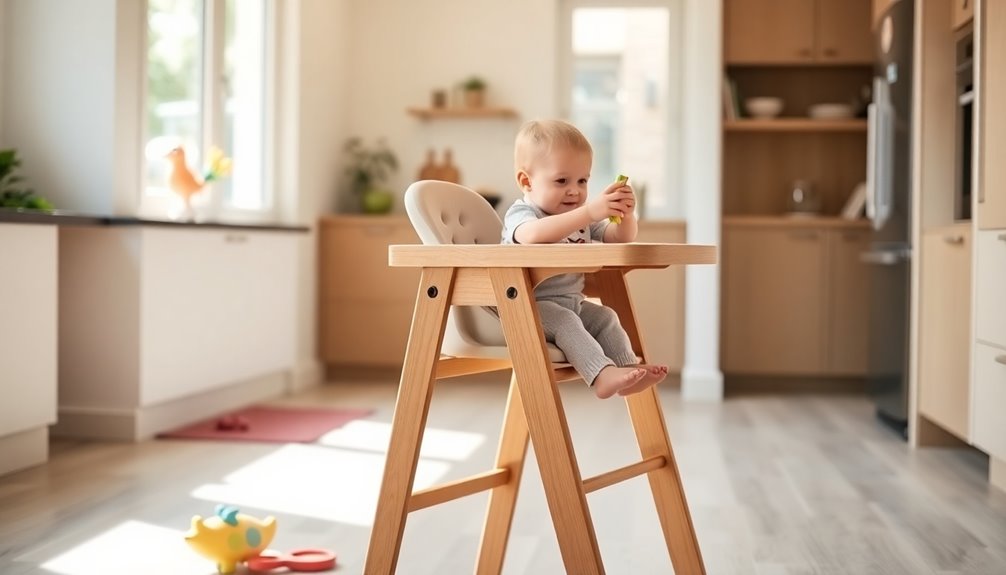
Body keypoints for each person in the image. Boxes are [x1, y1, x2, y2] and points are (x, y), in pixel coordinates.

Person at [502, 119, 668, 399]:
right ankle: (601, 376)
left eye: (583, 181)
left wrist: (625, 215)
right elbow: (531, 236)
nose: (575, 191)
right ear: (526, 181)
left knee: (606, 316)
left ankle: (628, 371)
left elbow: (619, 238)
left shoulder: (582, 220)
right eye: (561, 181)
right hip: (527, 306)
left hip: (571, 303)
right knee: (566, 322)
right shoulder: (522, 214)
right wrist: (590, 212)